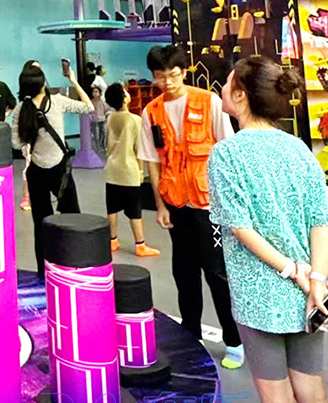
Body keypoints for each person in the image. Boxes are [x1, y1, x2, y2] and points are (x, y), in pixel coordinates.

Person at [208, 56, 328, 403]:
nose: (223, 89)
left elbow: (240, 228)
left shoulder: (227, 154)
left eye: (227, 83)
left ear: (241, 95)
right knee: (314, 397)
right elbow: (322, 221)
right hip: (309, 300)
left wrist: (292, 271)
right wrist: (315, 280)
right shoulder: (299, 150)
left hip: (260, 298)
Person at [139, 45, 244, 369]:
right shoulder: (151, 112)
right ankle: (191, 335)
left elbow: (227, 152)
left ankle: (234, 341)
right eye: (160, 77)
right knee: (183, 273)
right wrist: (160, 205)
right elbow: (152, 162)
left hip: (208, 204)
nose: (168, 82)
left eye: (173, 75)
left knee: (217, 273)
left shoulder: (208, 101)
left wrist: (229, 202)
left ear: (183, 72)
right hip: (175, 203)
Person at [11, 59, 94, 277]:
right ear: (42, 83)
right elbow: (88, 107)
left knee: (41, 224)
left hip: (36, 171)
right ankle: (74, 266)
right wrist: (73, 80)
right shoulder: (57, 101)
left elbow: (16, 143)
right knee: (72, 217)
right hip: (60, 171)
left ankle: (43, 272)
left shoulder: (21, 108)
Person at [104, 82, 159, 258]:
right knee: (135, 209)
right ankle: (140, 244)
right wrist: (141, 172)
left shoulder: (110, 118)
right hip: (129, 171)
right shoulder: (135, 120)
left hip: (111, 169)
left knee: (112, 208)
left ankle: (112, 240)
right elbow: (139, 150)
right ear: (125, 99)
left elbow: (106, 143)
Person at [90, 85, 109, 156]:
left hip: (103, 120)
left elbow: (106, 109)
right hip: (95, 121)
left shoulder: (103, 101)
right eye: (93, 92)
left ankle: (104, 146)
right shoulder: (91, 102)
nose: (94, 93)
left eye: (96, 92)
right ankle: (98, 148)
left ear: (100, 93)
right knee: (96, 135)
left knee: (104, 133)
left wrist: (106, 116)